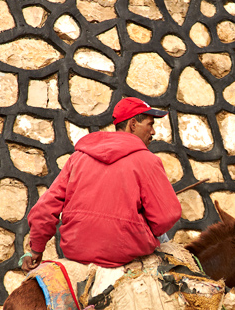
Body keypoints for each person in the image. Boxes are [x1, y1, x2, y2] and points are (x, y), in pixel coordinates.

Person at [21, 96, 182, 272]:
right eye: (150, 124)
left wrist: (36, 248)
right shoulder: (148, 161)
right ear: (133, 124)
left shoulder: (78, 158)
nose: (153, 132)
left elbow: (45, 208)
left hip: (77, 252)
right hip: (123, 254)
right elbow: (165, 218)